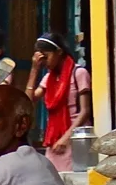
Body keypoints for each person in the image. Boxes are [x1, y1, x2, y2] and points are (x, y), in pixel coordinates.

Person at [25, 33, 91, 172]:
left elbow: (85, 111)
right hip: (55, 138)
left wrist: (66, 138)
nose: (44, 61)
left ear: (59, 52)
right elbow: (29, 100)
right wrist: (34, 69)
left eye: (46, 56)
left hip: (75, 137)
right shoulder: (49, 77)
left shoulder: (79, 73)